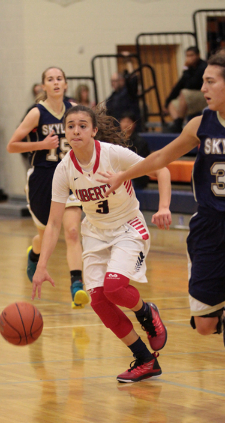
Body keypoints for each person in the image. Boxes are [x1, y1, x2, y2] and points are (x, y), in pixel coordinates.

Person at [98, 52, 225, 423]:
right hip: (208, 229)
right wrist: (123, 176)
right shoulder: (201, 124)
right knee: (204, 326)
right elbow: (160, 156)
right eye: (203, 81)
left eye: (209, 82)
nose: (202, 88)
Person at [31, 104, 172, 382]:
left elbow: (162, 169)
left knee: (115, 287)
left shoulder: (112, 155)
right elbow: (55, 223)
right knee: (98, 300)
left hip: (127, 227)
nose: (76, 131)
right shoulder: (64, 170)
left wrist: (164, 206)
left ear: (94, 130)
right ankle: (145, 360)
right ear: (64, 132)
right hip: (95, 232)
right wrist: (42, 265)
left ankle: (146, 312)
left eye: (82, 125)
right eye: (70, 126)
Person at [7, 66, 89, 309]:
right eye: (50, 79)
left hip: (70, 177)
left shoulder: (75, 111)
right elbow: (12, 145)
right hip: (43, 178)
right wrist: (41, 143)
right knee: (46, 235)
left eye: (59, 78)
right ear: (43, 86)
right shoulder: (37, 113)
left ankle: (77, 286)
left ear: (65, 84)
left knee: (73, 232)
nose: (55, 83)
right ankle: (34, 254)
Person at [163, 46, 207, 133]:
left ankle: (178, 124)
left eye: (191, 55)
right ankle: (177, 125)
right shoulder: (189, 68)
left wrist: (185, 68)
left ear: (198, 55)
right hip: (190, 97)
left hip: (204, 95)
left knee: (184, 92)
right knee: (172, 104)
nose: (189, 58)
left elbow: (191, 84)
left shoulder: (203, 67)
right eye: (187, 56)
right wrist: (167, 102)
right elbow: (180, 84)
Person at [105, 52, 142, 132]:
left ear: (122, 81)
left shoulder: (129, 92)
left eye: (115, 81)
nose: (112, 83)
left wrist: (128, 61)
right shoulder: (112, 96)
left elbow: (133, 78)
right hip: (117, 130)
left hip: (132, 130)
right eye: (112, 81)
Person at [119, 112, 150, 189]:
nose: (126, 124)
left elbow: (140, 163)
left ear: (134, 124)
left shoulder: (140, 142)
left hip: (136, 177)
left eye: (128, 122)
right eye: (123, 121)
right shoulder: (116, 140)